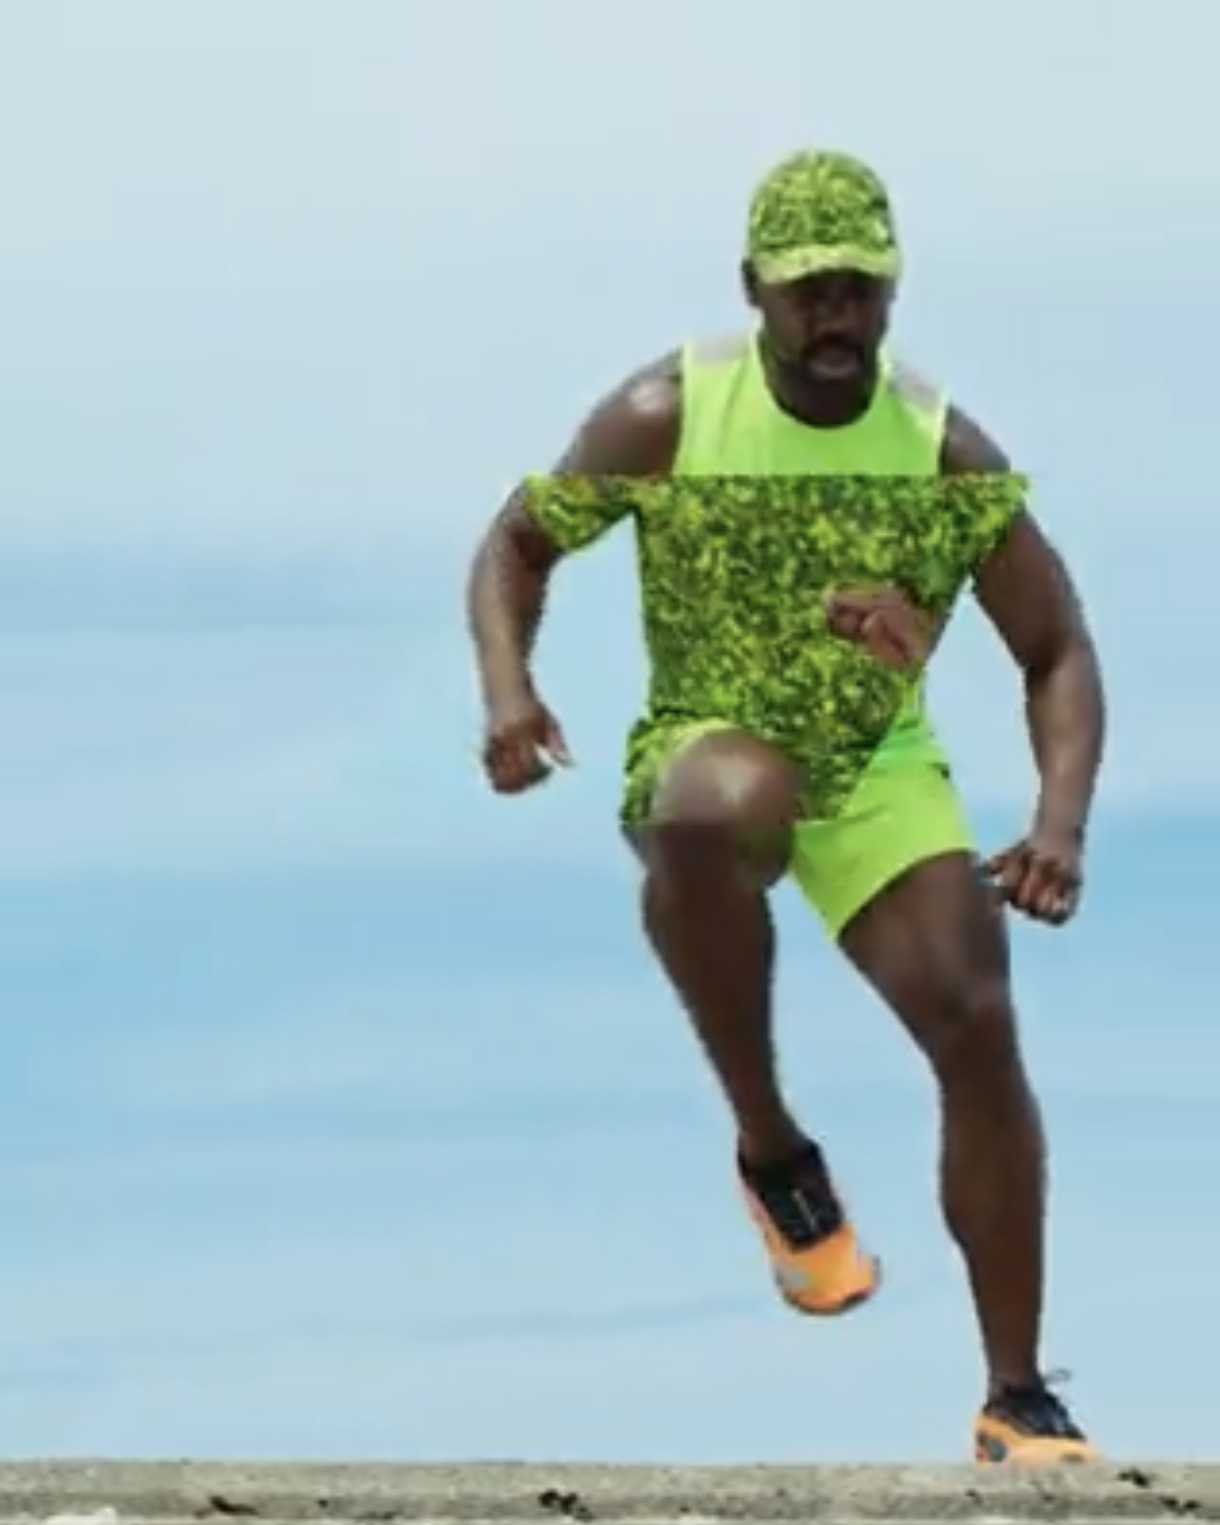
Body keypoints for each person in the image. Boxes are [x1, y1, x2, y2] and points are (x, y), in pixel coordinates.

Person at [465, 148, 1106, 1465]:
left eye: (859, 286)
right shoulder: (668, 413)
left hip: (875, 767)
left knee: (978, 1019)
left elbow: (1055, 648)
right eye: (808, 288)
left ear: (892, 288)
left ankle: (1017, 1398)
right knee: (725, 800)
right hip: (707, 741)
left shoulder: (939, 449)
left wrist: (1058, 825)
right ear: (753, 287)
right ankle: (772, 1150)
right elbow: (516, 545)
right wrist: (511, 692)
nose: (835, 313)